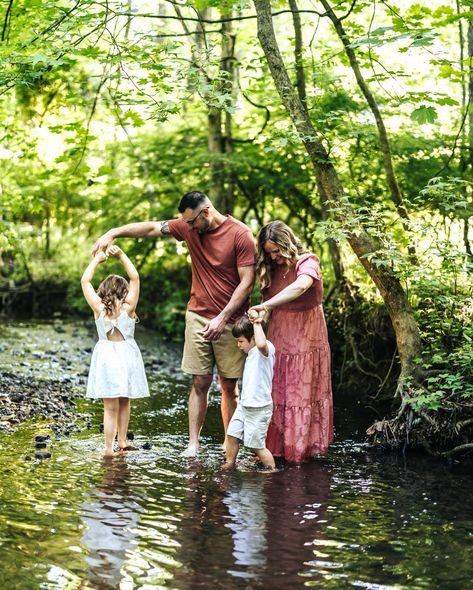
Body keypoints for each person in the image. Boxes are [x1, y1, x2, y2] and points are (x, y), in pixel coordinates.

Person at [92, 191, 256, 457]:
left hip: (231, 319)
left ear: (206, 212)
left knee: (229, 386)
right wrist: (114, 232)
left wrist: (223, 317)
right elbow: (151, 228)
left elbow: (247, 283)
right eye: (185, 223)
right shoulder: (188, 226)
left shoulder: (240, 235)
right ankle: (194, 444)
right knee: (199, 382)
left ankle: (230, 442)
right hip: (197, 316)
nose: (187, 228)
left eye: (191, 222)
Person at [249, 221, 333, 463]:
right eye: (269, 252)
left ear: (288, 244)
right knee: (277, 387)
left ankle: (300, 449)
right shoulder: (271, 268)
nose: (274, 257)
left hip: (307, 331)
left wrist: (266, 305)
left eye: (277, 251)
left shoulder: (308, 261)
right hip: (280, 332)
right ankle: (274, 448)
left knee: (300, 390)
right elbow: (270, 304)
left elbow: (300, 286)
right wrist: (262, 313)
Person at [81, 245, 149, 456]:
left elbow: (85, 281)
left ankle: (108, 449)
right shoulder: (129, 308)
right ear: (123, 291)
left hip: (106, 356)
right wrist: (120, 255)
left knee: (110, 406)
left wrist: (97, 260)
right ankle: (123, 441)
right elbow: (135, 277)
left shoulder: (98, 308)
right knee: (124, 400)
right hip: (127, 355)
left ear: (104, 290)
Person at [222, 314, 276, 471]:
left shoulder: (265, 350)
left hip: (259, 408)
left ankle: (272, 469)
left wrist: (257, 322)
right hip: (244, 406)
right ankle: (230, 463)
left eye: (241, 341)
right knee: (231, 435)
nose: (238, 345)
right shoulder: (251, 353)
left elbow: (261, 344)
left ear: (252, 338)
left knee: (256, 446)